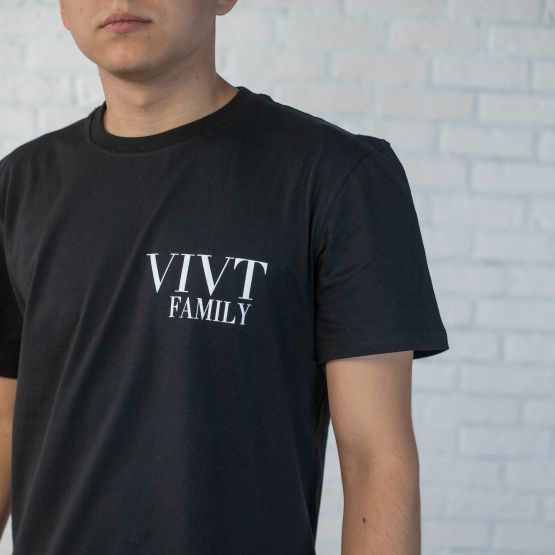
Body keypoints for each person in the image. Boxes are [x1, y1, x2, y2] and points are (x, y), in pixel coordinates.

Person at [0, 0, 449, 553]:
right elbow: (5, 420)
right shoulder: (19, 185)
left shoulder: (337, 178)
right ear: (63, 11)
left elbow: (375, 459)